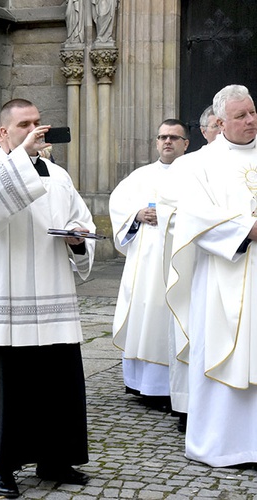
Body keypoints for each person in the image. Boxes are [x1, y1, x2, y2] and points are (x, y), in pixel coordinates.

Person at [0, 98, 95, 498]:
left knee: (56, 385)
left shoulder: (59, 175)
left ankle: (56, 458)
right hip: (8, 300)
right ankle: (3, 466)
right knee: (9, 390)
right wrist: (22, 155)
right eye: (25, 125)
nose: (36, 130)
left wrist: (77, 238)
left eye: (38, 123)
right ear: (2, 133)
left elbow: (83, 220)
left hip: (54, 298)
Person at [166, 84, 257, 467]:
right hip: (224, 274)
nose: (251, 121)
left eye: (253, 112)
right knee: (225, 353)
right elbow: (190, 217)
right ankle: (225, 446)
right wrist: (247, 230)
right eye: (241, 116)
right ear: (219, 122)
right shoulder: (198, 164)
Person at [109, 119, 189, 409]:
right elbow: (118, 205)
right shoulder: (140, 176)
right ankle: (141, 383)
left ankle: (171, 388)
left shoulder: (194, 173)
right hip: (144, 262)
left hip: (177, 261)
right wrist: (137, 214)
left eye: (174, 138)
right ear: (156, 142)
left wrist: (166, 216)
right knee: (144, 314)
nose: (167, 142)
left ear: (186, 144)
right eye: (162, 137)